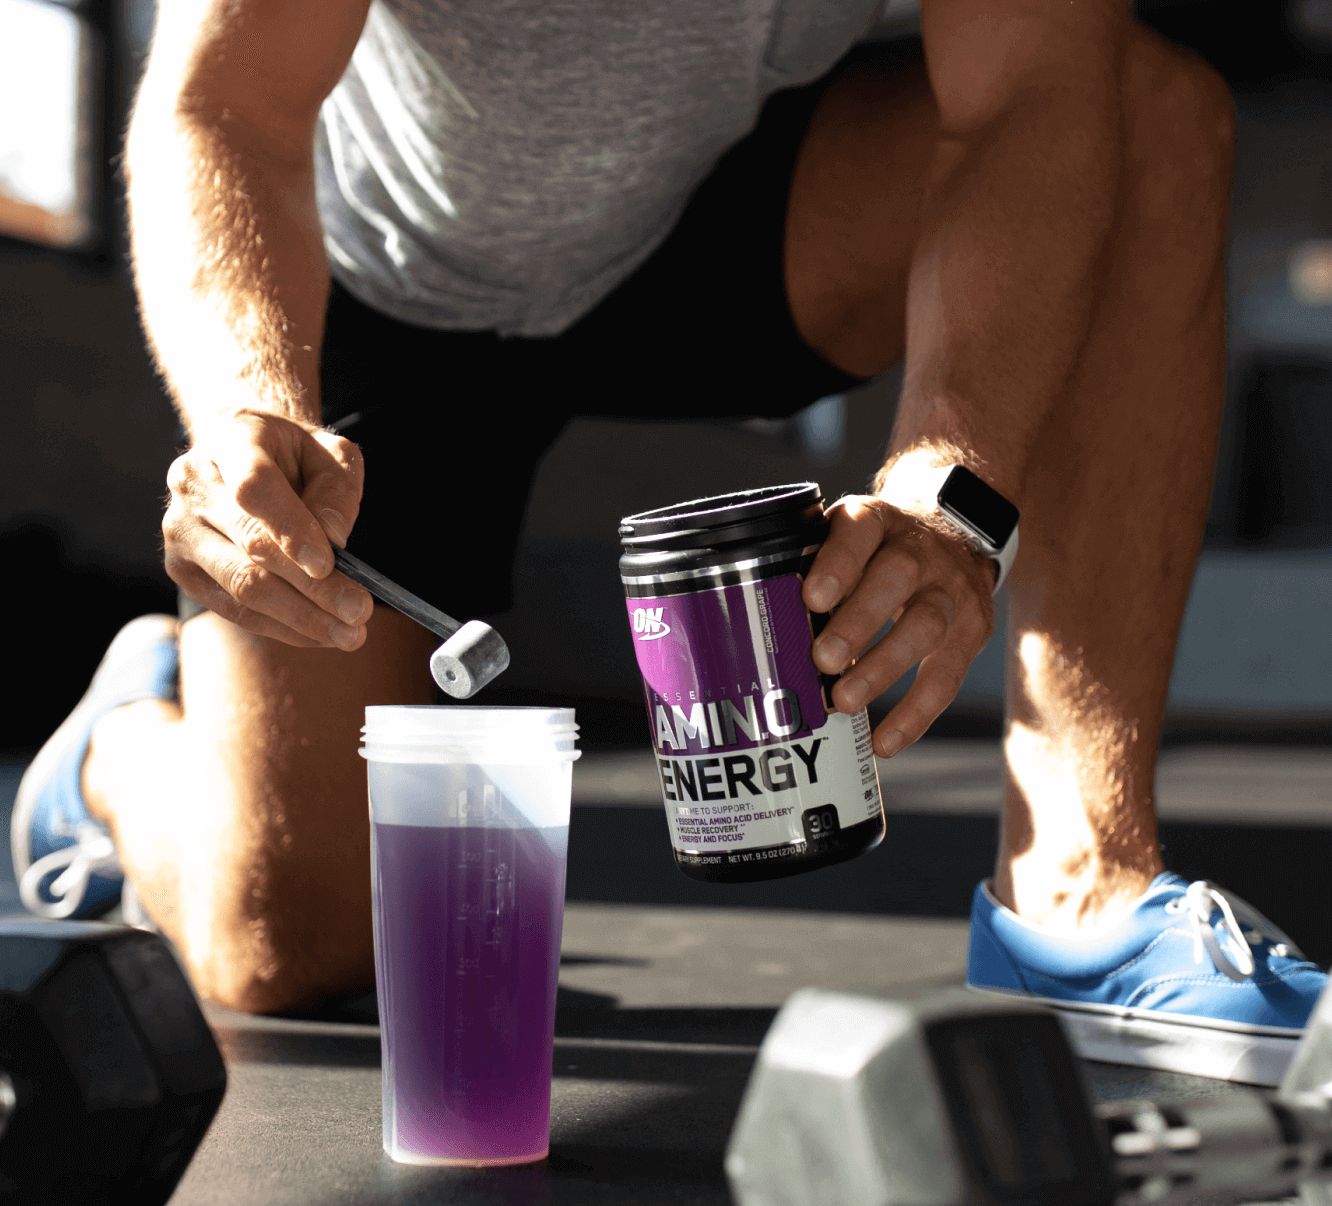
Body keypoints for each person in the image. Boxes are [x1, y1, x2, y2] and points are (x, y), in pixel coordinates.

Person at [11, 0, 1323, 1082]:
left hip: (715, 218)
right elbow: (222, 101)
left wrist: (950, 487)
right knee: (279, 950)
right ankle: (120, 750)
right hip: (383, 283)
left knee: (1152, 117)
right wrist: (254, 409)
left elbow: (1035, 88)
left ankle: (1081, 884)